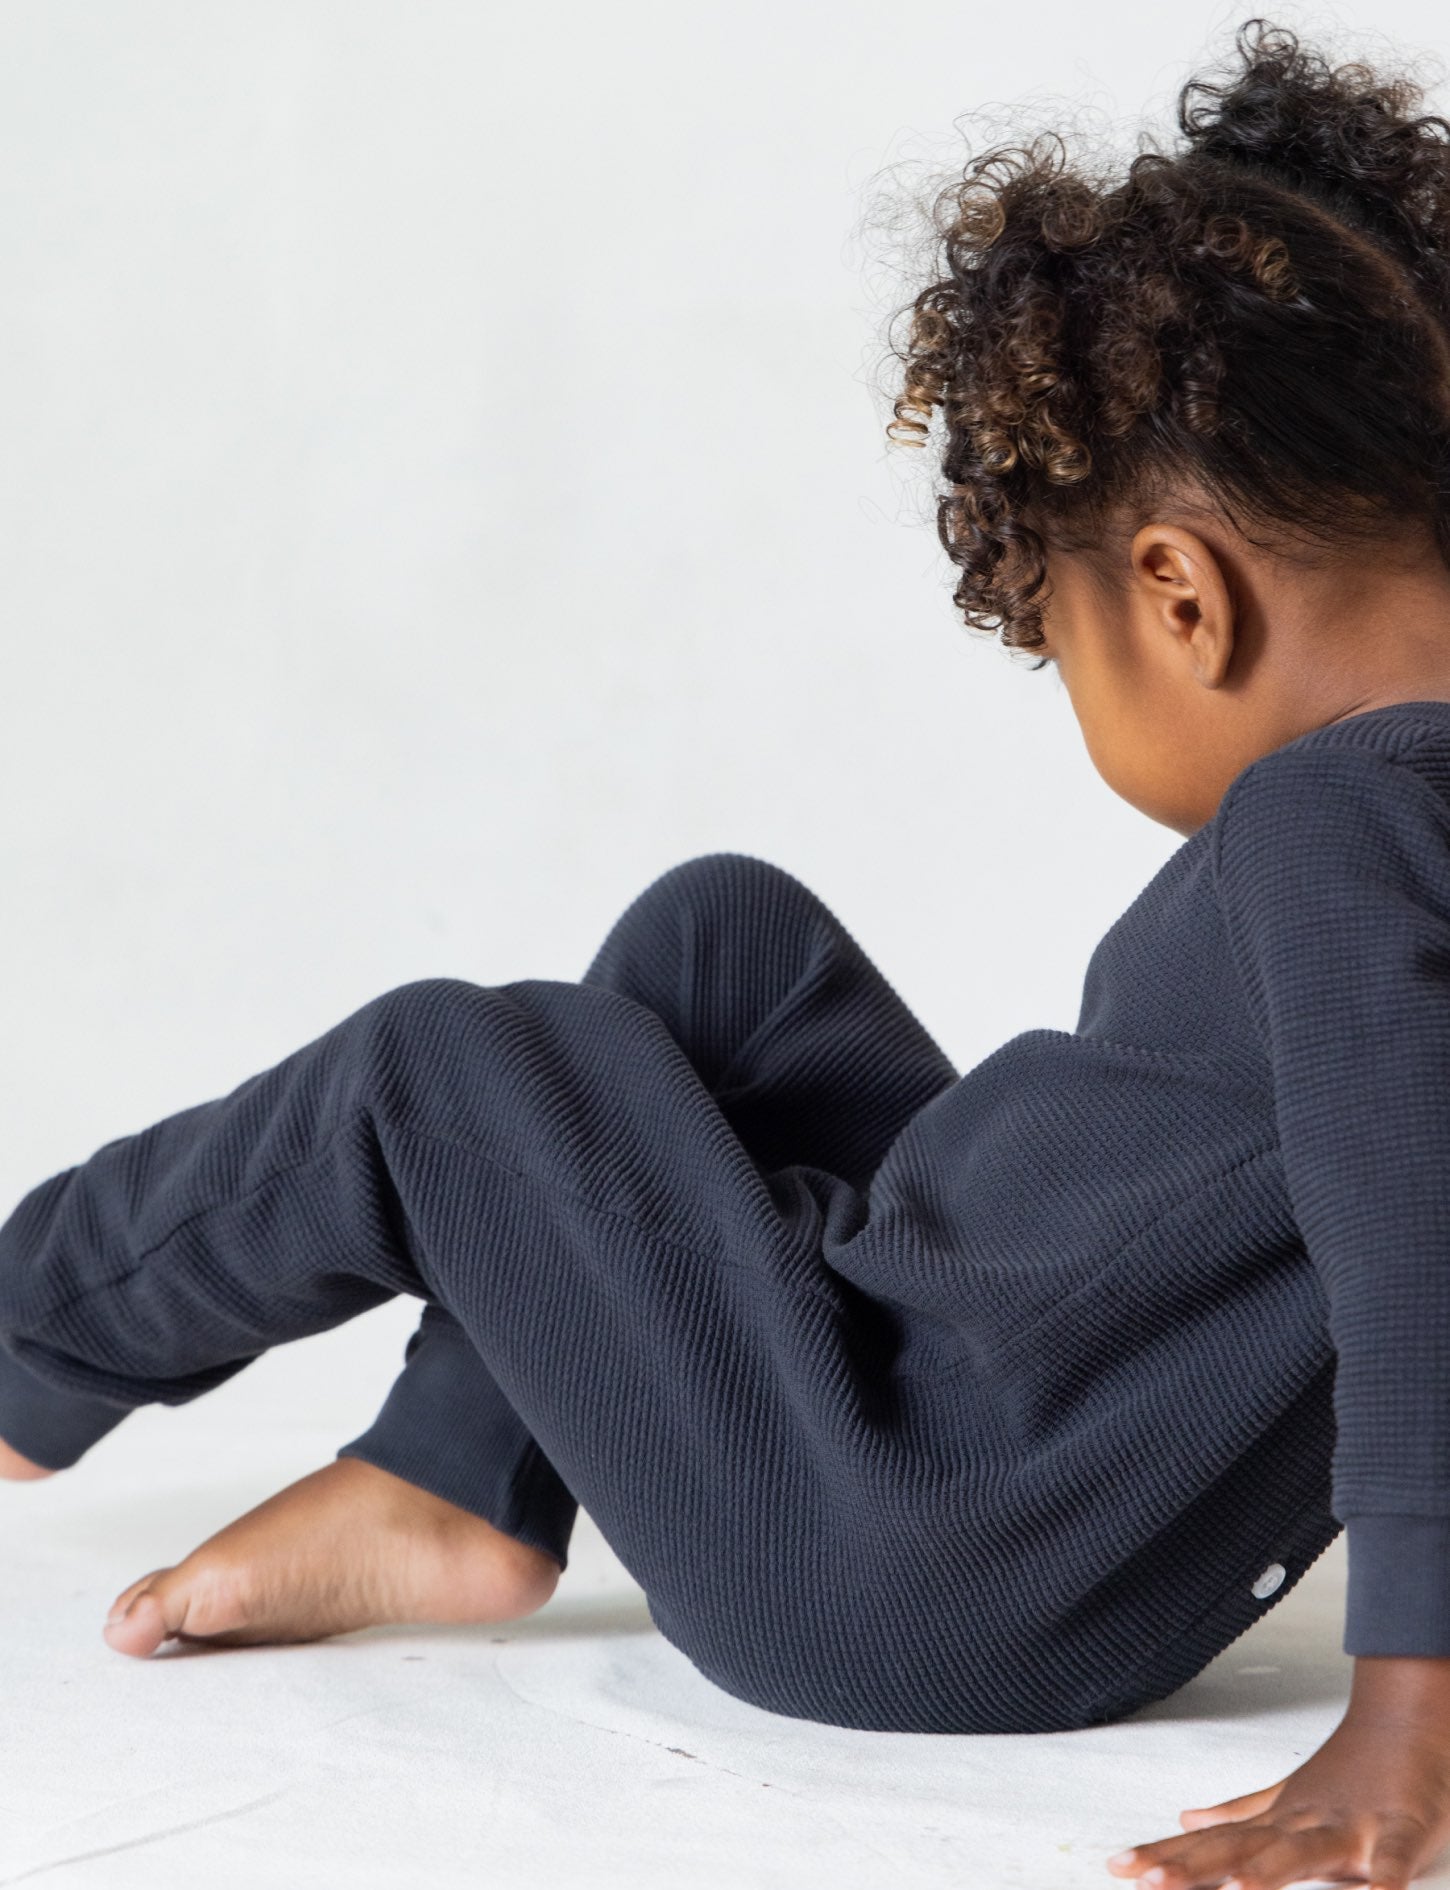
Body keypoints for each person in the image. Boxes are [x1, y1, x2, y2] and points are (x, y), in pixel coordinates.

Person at [7, 14, 1450, 1886]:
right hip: (969, 1445)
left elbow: (1419, 1240)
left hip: (916, 1552)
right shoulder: (1392, 808)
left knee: (452, 1075)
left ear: (1179, 593)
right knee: (727, 938)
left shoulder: (1339, 818)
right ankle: (464, 1474)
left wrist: (1407, 1710)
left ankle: (30, 1327)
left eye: (1060, 639)